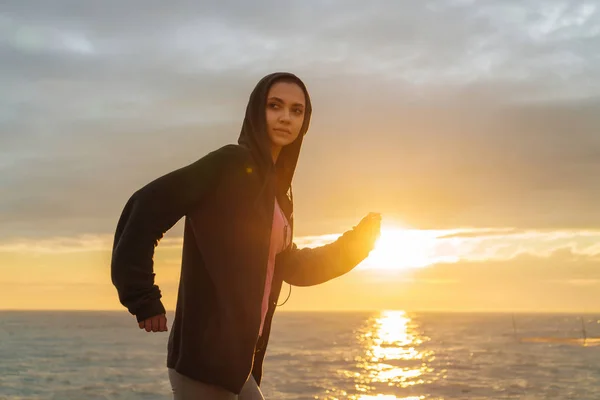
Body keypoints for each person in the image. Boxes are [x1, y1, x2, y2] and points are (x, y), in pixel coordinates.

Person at [110, 72, 381, 399]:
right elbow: (147, 205)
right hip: (204, 363)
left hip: (238, 365)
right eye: (275, 106)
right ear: (256, 111)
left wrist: (358, 244)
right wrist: (142, 296)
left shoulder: (279, 195)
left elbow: (291, 266)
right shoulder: (230, 164)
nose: (285, 117)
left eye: (297, 111)